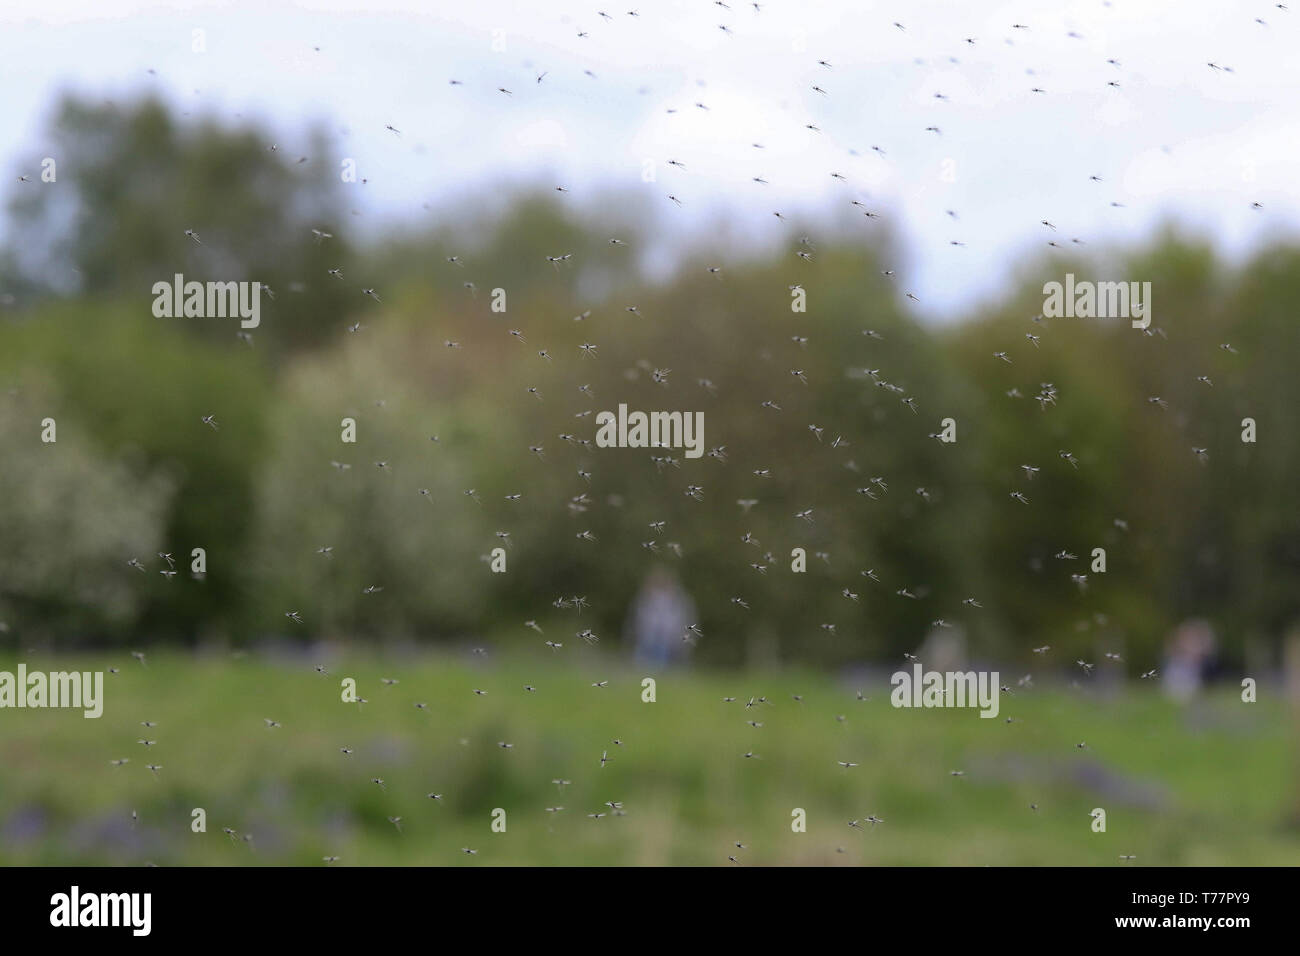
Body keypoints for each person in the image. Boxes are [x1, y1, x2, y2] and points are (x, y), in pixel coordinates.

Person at [627, 566, 696, 668]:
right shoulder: (646, 597)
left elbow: (679, 619)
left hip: (667, 636)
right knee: (645, 654)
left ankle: (658, 669)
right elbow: (640, 617)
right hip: (649, 634)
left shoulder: (677, 599)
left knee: (661, 655)